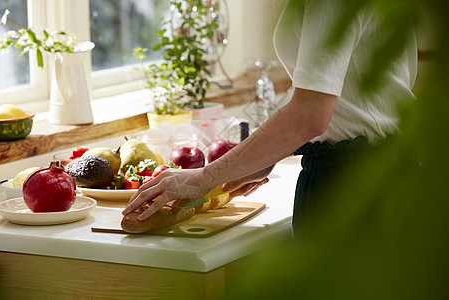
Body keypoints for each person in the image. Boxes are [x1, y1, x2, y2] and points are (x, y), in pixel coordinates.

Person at [122, 0, 417, 238]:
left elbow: (309, 116)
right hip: (381, 172)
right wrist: (262, 156)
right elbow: (352, 97)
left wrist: (203, 178)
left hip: (351, 186)